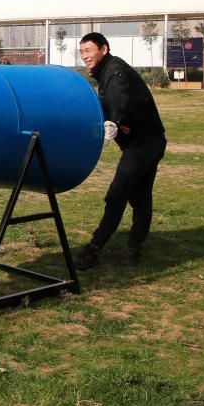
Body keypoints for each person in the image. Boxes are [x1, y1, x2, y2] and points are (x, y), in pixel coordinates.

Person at [73, 32, 166, 270]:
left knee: (118, 193)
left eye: (89, 51)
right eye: (82, 51)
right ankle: (133, 249)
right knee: (140, 197)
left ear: (104, 49)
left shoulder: (115, 72)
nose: (85, 56)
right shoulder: (105, 72)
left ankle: (94, 248)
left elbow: (118, 97)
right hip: (147, 142)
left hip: (144, 144)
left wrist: (113, 120)